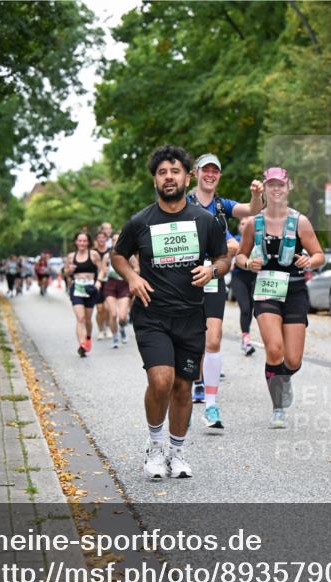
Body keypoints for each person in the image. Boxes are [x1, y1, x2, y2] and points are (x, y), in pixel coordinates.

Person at [112, 145, 228, 480]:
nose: (169, 177)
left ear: (187, 177)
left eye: (175, 171)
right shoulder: (141, 221)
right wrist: (132, 277)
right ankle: (155, 446)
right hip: (152, 314)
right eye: (162, 172)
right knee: (161, 380)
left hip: (191, 316)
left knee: (182, 387)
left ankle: (177, 452)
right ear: (155, 180)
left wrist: (212, 271)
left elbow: (223, 257)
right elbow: (118, 255)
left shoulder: (204, 221)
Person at [234, 167, 324, 429]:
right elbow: (240, 255)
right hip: (266, 289)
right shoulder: (254, 223)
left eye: (280, 185)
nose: (276, 189)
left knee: (293, 360)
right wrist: (247, 263)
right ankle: (278, 408)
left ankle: (283, 378)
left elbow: (319, 255)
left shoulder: (300, 222)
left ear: (288, 187)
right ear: (264, 188)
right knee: (274, 349)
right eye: (271, 184)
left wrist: (309, 261)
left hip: (294, 290)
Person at [186, 153, 264, 425]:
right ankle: (191, 383)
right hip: (186, 278)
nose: (210, 175)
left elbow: (252, 210)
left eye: (215, 171)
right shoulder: (183, 202)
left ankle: (211, 405)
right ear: (196, 173)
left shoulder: (222, 205)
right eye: (205, 170)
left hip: (215, 275)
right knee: (191, 339)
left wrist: (256, 195)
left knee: (213, 339)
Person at [65, 232, 106, 357]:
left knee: (88, 319)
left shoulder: (93, 254)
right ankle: (82, 345)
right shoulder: (71, 256)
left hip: (90, 289)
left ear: (88, 242)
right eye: (79, 240)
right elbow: (66, 273)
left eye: (84, 241)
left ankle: (88, 338)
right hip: (77, 288)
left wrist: (98, 281)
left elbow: (102, 269)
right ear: (76, 242)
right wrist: (69, 270)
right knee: (80, 318)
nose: (82, 243)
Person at [101, 233, 136, 348]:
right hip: (110, 286)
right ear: (111, 242)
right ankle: (115, 337)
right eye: (114, 240)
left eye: (118, 239)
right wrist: (98, 280)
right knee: (113, 314)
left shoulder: (129, 255)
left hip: (124, 285)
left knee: (122, 317)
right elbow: (102, 270)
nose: (116, 242)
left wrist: (130, 274)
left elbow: (137, 268)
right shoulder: (107, 256)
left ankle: (122, 329)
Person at [229, 225, 258, 356]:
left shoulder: (258, 240)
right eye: (242, 223)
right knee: (245, 308)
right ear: (239, 226)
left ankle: (246, 336)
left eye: (248, 223)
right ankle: (246, 340)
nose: (245, 226)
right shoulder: (235, 240)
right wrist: (231, 261)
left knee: (251, 309)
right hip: (238, 277)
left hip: (254, 277)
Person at [94, 230, 112, 339]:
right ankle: (101, 329)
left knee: (108, 308)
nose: (101, 239)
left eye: (103, 237)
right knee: (100, 309)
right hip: (97, 283)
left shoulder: (111, 251)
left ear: (106, 239)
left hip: (109, 281)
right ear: (96, 240)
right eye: (99, 237)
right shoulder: (93, 252)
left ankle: (108, 327)